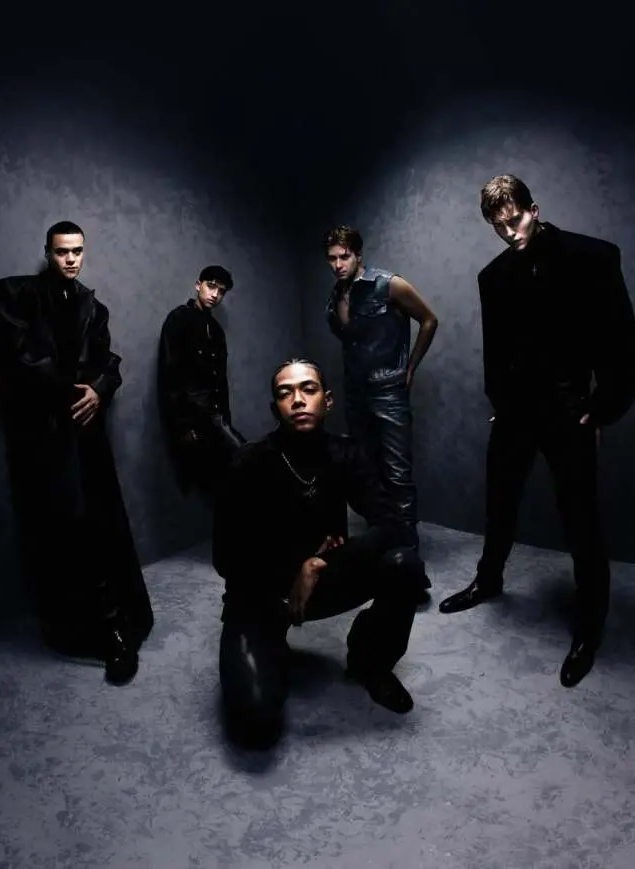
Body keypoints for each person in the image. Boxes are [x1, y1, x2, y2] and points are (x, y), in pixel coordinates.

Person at [439, 175, 635, 687]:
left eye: (516, 219)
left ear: (534, 208)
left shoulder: (591, 257)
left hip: (571, 412)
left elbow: (621, 341)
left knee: (581, 523)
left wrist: (603, 407)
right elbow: (496, 350)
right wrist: (500, 404)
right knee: (500, 502)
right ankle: (488, 581)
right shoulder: (492, 276)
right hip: (516, 414)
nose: (509, 231)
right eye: (497, 225)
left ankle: (589, 629)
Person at [213, 358, 425, 747]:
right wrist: (289, 573)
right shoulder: (247, 461)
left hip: (323, 582)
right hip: (258, 596)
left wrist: (318, 564)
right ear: (275, 408)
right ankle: (271, 646)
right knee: (256, 724)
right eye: (285, 393)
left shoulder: (346, 453)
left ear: (327, 401)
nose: (297, 400)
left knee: (404, 565)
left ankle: (369, 662)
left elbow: (394, 525)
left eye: (308, 389)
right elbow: (225, 558)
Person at [0, 221, 153, 684]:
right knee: (64, 530)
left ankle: (120, 629)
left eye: (78, 251)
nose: (71, 259)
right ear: (48, 253)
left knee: (101, 524)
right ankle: (97, 635)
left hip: (86, 435)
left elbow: (108, 361)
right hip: (45, 438)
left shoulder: (91, 307)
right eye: (62, 252)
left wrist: (98, 389)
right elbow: (15, 362)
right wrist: (71, 391)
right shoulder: (16, 295)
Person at [323, 226, 438, 601]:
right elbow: (351, 339)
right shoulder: (337, 295)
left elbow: (429, 320)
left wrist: (410, 368)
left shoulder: (389, 284)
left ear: (358, 255)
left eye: (344, 257)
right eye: (332, 259)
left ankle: (408, 571)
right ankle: (381, 558)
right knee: (366, 476)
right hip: (356, 394)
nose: (338, 265)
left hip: (388, 392)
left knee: (397, 477)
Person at [158, 265, 245, 498]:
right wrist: (183, 427)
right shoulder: (178, 319)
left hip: (215, 415)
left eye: (221, 291)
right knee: (228, 474)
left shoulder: (216, 331)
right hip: (193, 416)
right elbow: (169, 374)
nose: (215, 295)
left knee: (237, 472)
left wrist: (225, 418)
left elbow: (220, 380)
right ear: (199, 285)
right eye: (211, 286)